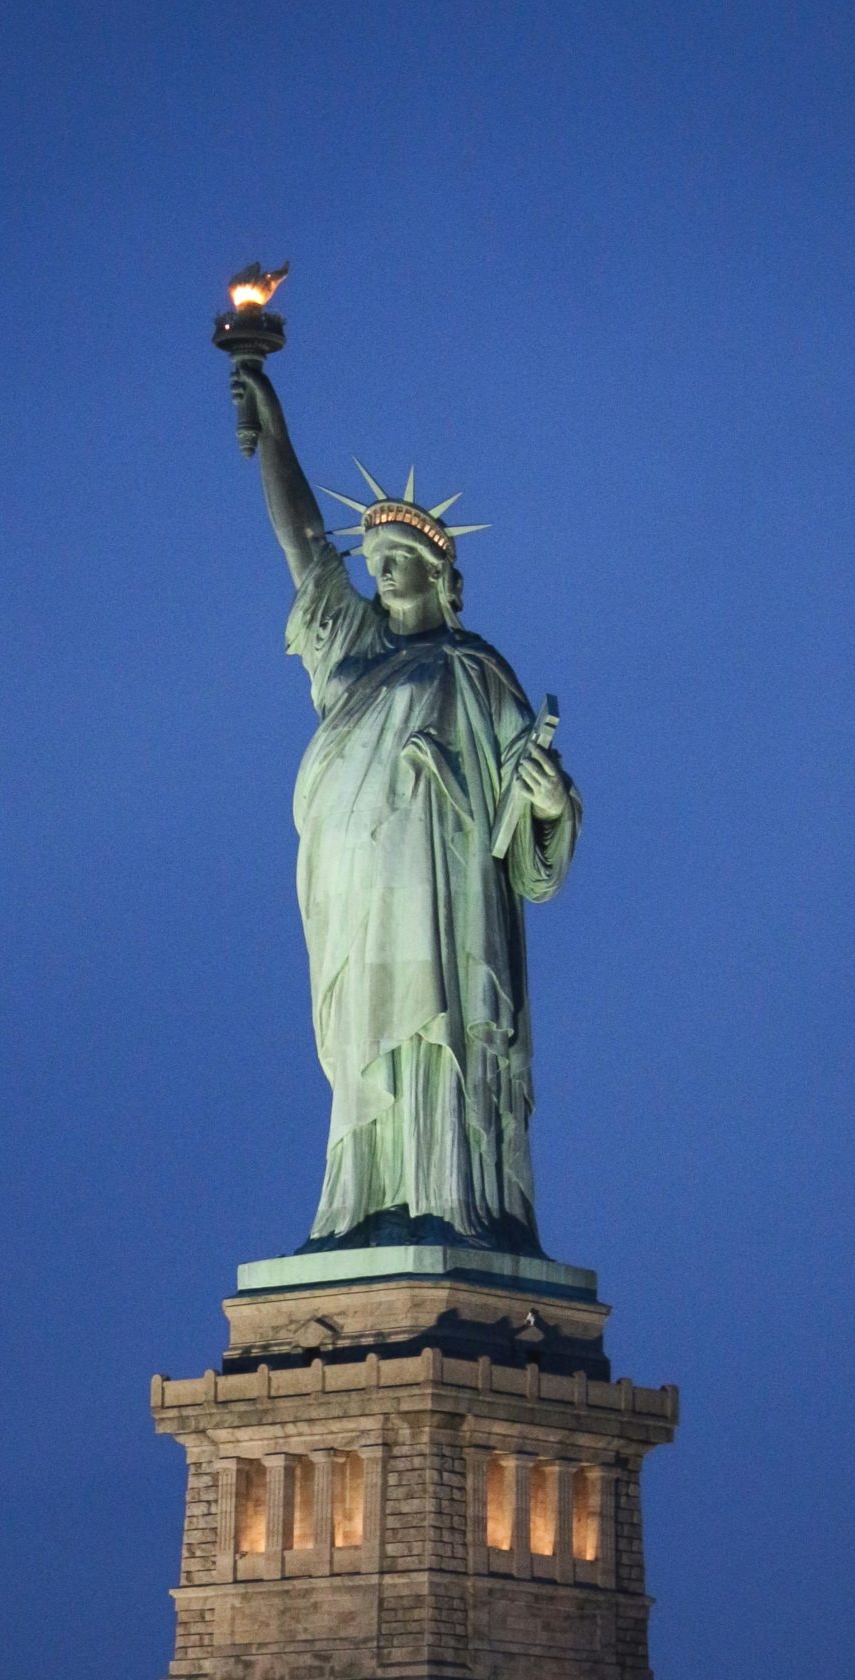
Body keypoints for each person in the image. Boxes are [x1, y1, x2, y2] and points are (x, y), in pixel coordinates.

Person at [231, 361, 580, 1254]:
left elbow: (532, 840)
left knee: (439, 1029)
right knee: (364, 1042)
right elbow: (304, 544)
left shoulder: (477, 675)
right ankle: (360, 1207)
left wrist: (547, 804)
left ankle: (445, 1197)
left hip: (445, 890)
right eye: (376, 562)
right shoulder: (347, 646)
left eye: (402, 563)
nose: (383, 573)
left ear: (439, 578)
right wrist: (273, 432)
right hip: (354, 886)